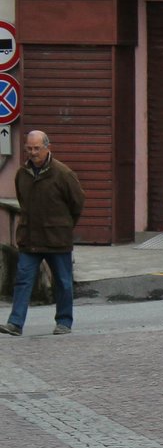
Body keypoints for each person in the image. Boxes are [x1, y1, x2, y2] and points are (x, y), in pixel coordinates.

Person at [3, 130, 85, 337]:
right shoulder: (22, 174)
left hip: (57, 239)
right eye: (29, 149)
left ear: (47, 147)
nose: (33, 153)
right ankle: (15, 323)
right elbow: (23, 202)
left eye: (37, 148)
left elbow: (77, 203)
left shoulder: (63, 174)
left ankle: (64, 322)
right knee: (22, 281)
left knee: (63, 281)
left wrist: (64, 225)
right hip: (30, 238)